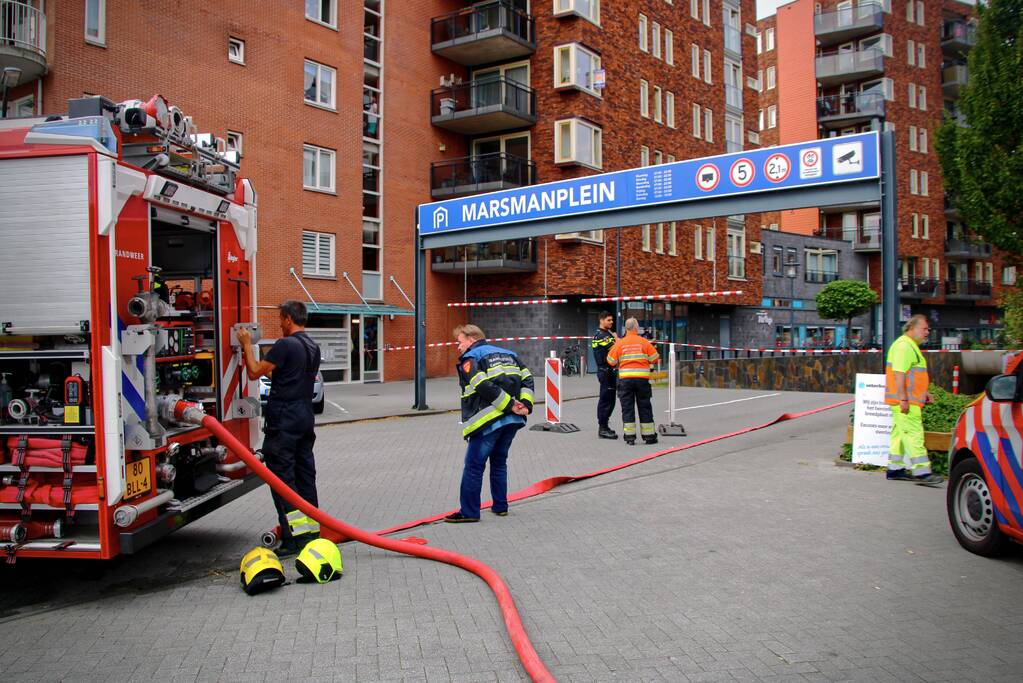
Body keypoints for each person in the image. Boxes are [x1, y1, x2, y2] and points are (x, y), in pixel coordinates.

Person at [236, 300, 323, 554]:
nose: (280, 324)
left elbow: (253, 372)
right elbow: (287, 376)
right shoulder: (312, 346)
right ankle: (311, 532)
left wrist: (245, 344)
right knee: (305, 476)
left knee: (283, 481)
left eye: (280, 319)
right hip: (305, 418)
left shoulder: (285, 345)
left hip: (283, 421)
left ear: (287, 318)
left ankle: (293, 539)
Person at [445, 324, 534, 523]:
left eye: (459, 342)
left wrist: (509, 404)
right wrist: (525, 404)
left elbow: (481, 385)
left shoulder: (471, 357)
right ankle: (500, 506)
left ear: (471, 339)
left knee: (474, 466)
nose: (458, 347)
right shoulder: (510, 354)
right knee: (499, 462)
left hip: (487, 420)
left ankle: (469, 512)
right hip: (513, 420)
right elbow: (528, 379)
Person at [884, 314, 944, 486]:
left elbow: (911, 377)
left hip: (907, 400)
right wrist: (904, 399)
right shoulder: (905, 346)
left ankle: (895, 469)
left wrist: (924, 393)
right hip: (906, 402)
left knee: (899, 435)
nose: (927, 332)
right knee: (913, 434)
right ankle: (923, 472)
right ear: (912, 328)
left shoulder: (908, 346)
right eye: (924, 329)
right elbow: (899, 374)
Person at [607, 318, 660, 446]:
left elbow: (610, 361)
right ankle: (649, 437)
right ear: (636, 328)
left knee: (627, 408)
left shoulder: (620, 344)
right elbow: (655, 358)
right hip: (642, 380)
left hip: (625, 380)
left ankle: (630, 437)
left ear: (626, 329)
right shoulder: (644, 342)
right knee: (645, 407)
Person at [591, 311, 619, 440]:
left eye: (612, 320)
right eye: (609, 320)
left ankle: (605, 426)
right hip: (605, 371)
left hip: (609, 371)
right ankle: (602, 428)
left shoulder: (607, 334)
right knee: (606, 400)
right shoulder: (602, 336)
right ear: (601, 320)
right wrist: (617, 338)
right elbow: (618, 348)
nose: (611, 322)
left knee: (610, 400)